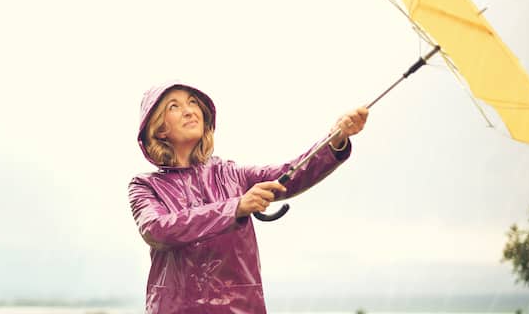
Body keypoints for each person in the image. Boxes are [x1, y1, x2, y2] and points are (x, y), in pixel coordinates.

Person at [128, 81, 368, 314]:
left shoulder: (232, 174)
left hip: (241, 308)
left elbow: (290, 174)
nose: (190, 110)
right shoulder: (145, 185)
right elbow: (157, 229)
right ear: (159, 129)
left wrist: (335, 139)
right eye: (174, 106)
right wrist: (236, 208)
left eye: (192, 102)